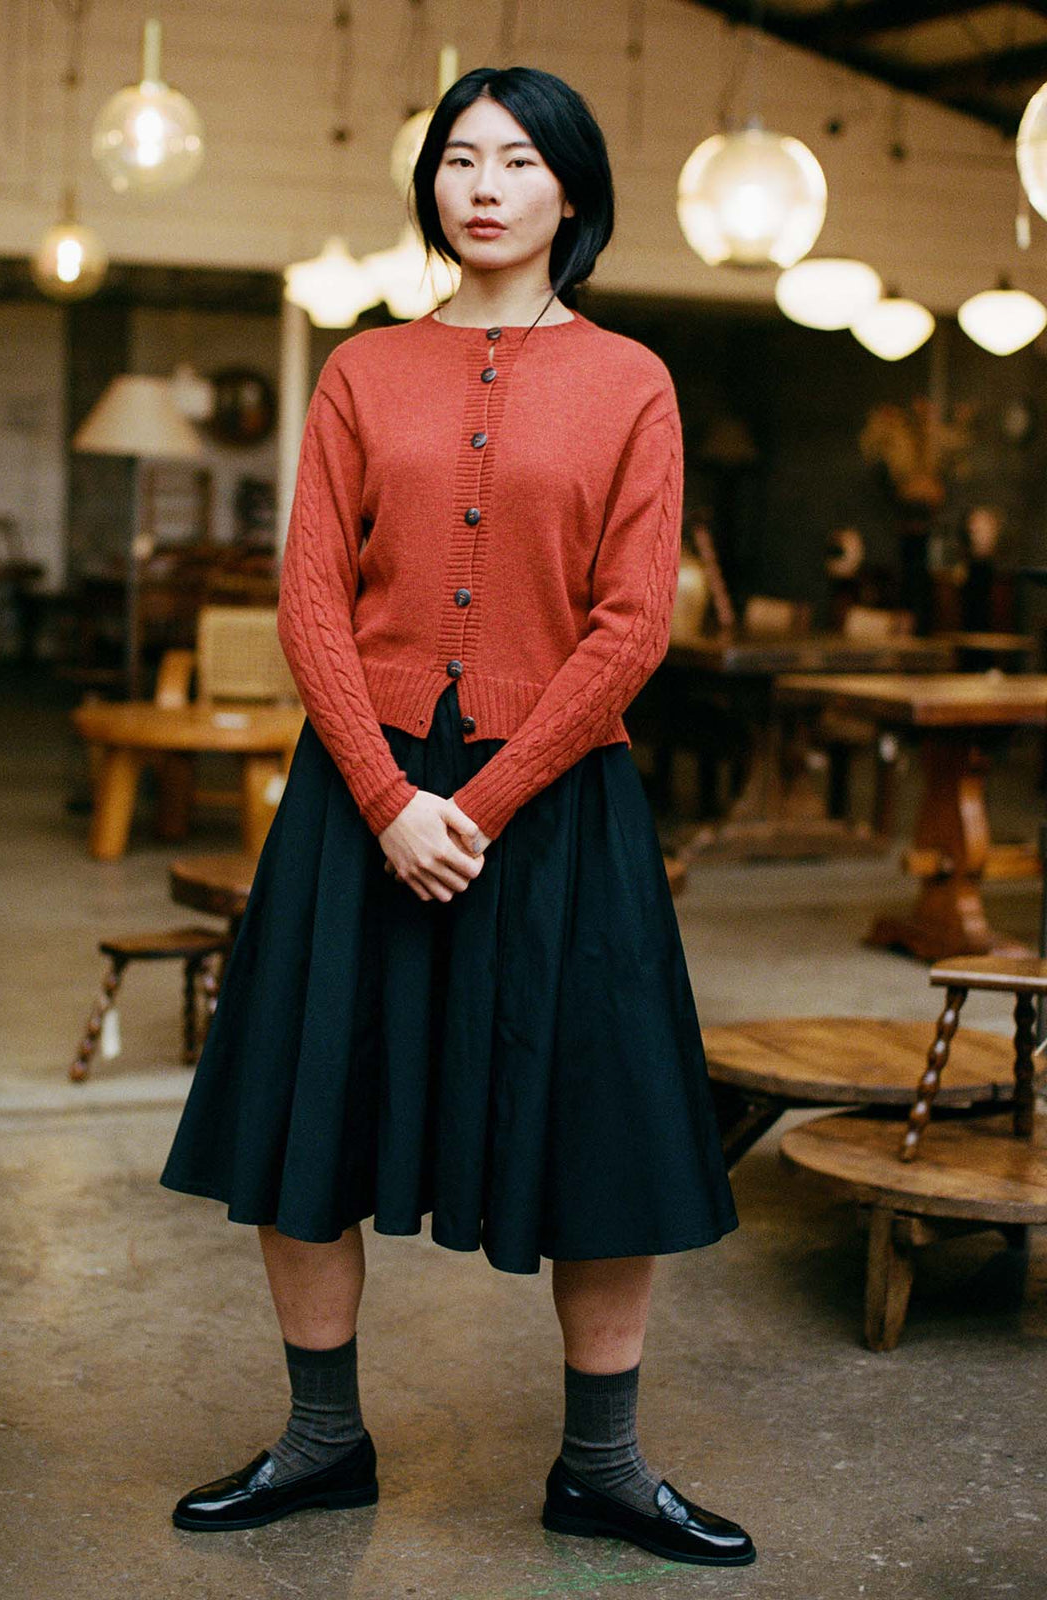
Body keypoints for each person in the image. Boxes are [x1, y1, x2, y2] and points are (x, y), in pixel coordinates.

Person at [160, 64, 753, 1569]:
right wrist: (384, 796)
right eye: (460, 158)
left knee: (602, 1127)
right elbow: (310, 599)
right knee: (309, 1111)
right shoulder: (362, 372)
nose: (484, 186)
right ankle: (322, 1442)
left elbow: (632, 623)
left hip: (552, 800)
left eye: (519, 160)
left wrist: (470, 807)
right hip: (360, 794)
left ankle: (602, 1468)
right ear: (430, 185)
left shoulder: (634, 381)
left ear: (573, 191)